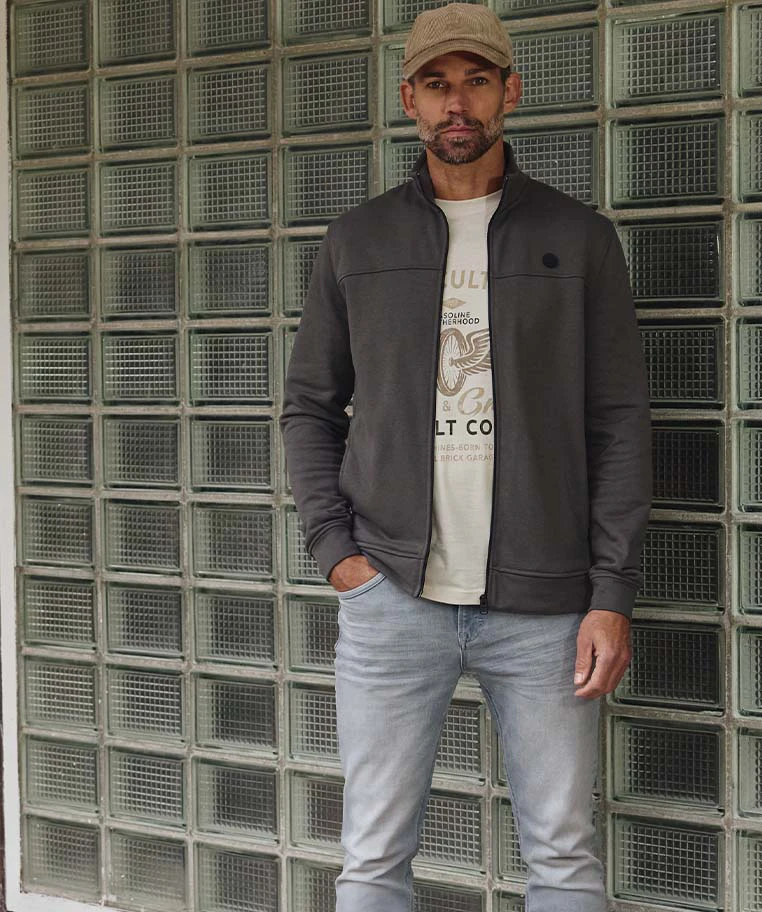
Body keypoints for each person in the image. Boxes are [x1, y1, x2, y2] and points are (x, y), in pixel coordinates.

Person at [280, 4, 652, 909]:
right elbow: (308, 407)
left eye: (476, 81)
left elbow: (619, 422)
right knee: (372, 857)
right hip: (391, 596)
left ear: (509, 93)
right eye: (438, 84)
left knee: (563, 854)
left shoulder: (580, 238)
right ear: (409, 98)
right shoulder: (358, 241)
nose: (458, 103)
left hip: (547, 605)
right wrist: (338, 555)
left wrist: (610, 593)